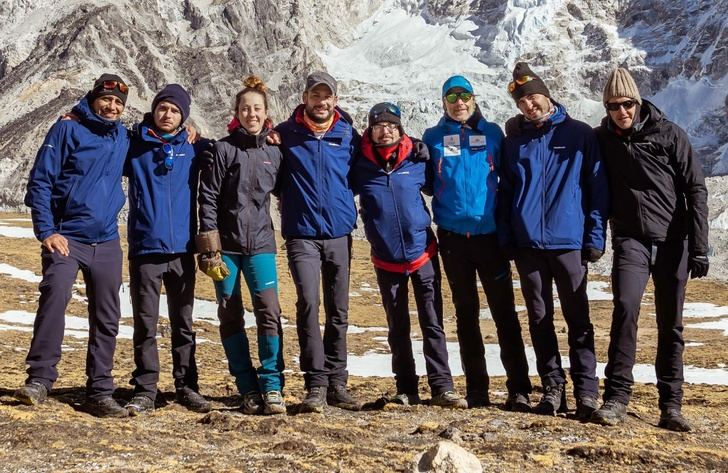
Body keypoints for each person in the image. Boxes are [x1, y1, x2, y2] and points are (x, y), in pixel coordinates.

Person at [591, 68, 709, 432]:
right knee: (625, 309)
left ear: (637, 102)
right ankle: (616, 398)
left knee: (669, 323)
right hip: (631, 240)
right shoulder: (602, 139)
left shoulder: (670, 134)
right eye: (613, 106)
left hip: (675, 242)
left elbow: (696, 190)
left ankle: (670, 405)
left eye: (627, 104)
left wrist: (700, 248)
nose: (621, 111)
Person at [497, 62, 609, 419]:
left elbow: (597, 189)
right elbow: (506, 191)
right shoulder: (516, 141)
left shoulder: (579, 134)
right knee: (540, 318)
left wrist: (594, 237)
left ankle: (587, 393)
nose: (529, 105)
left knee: (578, 318)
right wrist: (508, 237)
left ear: (546, 95)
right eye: (522, 102)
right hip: (528, 246)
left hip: (568, 243)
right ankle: (553, 390)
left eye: (532, 97)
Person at [16, 74, 131, 417]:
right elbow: (40, 181)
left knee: (108, 315)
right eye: (106, 100)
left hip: (107, 239)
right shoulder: (67, 129)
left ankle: (99, 389)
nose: (111, 107)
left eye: (118, 103)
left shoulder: (123, 135)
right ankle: (39, 378)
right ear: (94, 98)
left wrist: (190, 133)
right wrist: (47, 231)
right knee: (56, 294)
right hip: (67, 236)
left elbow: (158, 141)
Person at [422, 75, 532, 410]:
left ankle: (519, 389)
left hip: (490, 238)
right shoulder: (434, 137)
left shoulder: (493, 133)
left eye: (464, 96)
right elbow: (426, 183)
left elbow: (510, 179)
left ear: (473, 99)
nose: (459, 103)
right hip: (454, 239)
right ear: (444, 102)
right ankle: (477, 390)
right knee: (466, 314)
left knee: (504, 313)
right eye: (452, 97)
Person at [351, 102, 467, 409]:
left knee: (432, 321)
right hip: (385, 257)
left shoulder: (417, 157)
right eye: (378, 126)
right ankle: (406, 388)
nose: (385, 130)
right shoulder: (360, 164)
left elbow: (441, 182)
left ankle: (442, 387)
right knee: (397, 325)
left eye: (391, 125)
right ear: (370, 130)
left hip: (422, 254)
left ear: (400, 128)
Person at [197, 75, 286, 415]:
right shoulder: (223, 149)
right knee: (230, 314)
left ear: (266, 113)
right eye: (245, 108)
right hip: (227, 248)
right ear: (237, 112)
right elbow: (207, 197)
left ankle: (272, 385)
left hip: (262, 243)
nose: (251, 113)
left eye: (257, 108)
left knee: (269, 312)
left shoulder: (275, 154)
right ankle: (246, 387)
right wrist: (209, 245)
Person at [275, 71, 362, 413]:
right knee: (309, 305)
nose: (321, 101)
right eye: (315, 95)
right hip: (302, 234)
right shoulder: (285, 133)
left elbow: (359, 175)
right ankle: (315, 383)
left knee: (338, 309)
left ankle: (337, 382)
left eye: (327, 96)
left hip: (340, 232)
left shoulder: (347, 134)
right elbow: (272, 175)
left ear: (335, 100)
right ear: (305, 98)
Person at [123, 84, 211, 415]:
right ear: (153, 110)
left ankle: (187, 386)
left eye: (174, 110)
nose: (167, 114)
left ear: (183, 117)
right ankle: (146, 389)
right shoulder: (135, 144)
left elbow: (226, 154)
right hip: (145, 249)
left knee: (183, 322)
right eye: (162, 107)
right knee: (145, 323)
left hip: (182, 251)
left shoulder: (194, 147)